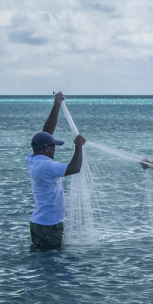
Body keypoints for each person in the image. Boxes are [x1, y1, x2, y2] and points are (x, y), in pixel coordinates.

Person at [27, 92, 86, 249]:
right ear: (46, 148)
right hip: (49, 226)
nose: (55, 150)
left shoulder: (32, 159)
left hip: (39, 223)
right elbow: (75, 168)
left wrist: (57, 106)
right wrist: (78, 145)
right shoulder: (47, 166)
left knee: (41, 262)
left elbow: (46, 133)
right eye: (53, 146)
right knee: (52, 267)